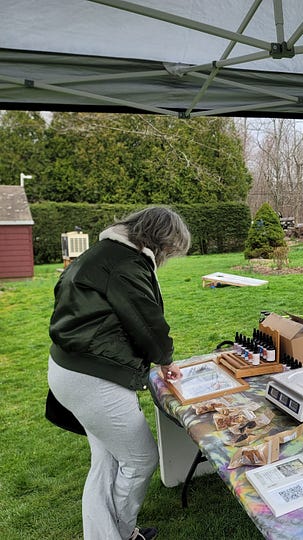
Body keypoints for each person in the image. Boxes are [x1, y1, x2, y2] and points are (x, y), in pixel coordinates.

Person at [47, 206, 191, 540]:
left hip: (69, 369)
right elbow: (147, 322)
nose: (168, 256)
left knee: (106, 460)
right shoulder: (126, 263)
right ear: (159, 240)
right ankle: (124, 533)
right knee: (140, 459)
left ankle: (102, 534)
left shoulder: (103, 253)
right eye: (169, 249)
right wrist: (165, 360)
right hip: (93, 378)